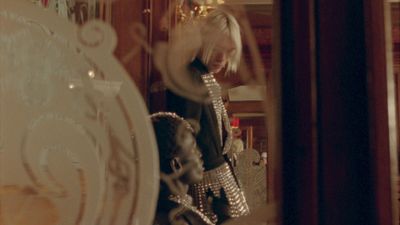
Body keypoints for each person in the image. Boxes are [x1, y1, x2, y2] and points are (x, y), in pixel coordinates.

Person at [165, 8, 250, 224]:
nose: (222, 58)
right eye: (218, 49)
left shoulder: (204, 77)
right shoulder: (190, 78)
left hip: (219, 181)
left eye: (228, 51)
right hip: (205, 188)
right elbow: (183, 139)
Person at [151, 112, 214, 225]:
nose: (199, 154)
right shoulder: (174, 217)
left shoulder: (169, 206)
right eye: (193, 149)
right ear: (176, 165)